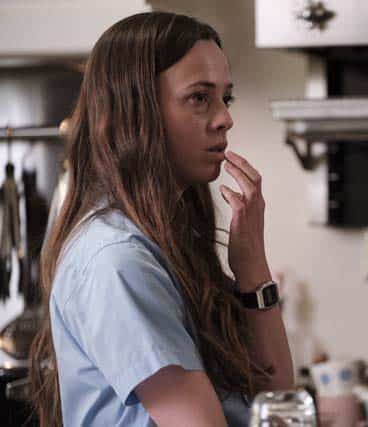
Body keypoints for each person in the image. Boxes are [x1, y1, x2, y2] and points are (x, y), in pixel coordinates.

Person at [28, 11, 294, 427]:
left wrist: (253, 268)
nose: (225, 118)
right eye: (200, 98)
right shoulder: (117, 260)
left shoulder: (167, 243)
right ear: (137, 111)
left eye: (225, 98)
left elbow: (277, 403)